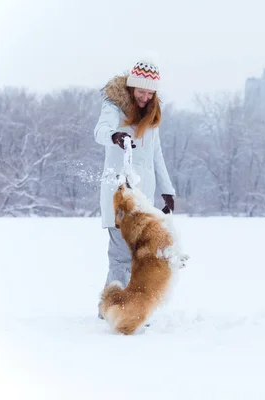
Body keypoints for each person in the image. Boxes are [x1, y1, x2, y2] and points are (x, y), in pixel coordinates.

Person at [93, 55, 176, 317]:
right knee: (120, 256)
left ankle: (129, 308)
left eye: (150, 94)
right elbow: (99, 131)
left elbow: (156, 155)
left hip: (143, 198)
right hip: (119, 196)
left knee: (139, 257)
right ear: (131, 87)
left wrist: (167, 190)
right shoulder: (114, 107)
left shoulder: (150, 115)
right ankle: (112, 311)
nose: (145, 98)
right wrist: (113, 135)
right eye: (141, 91)